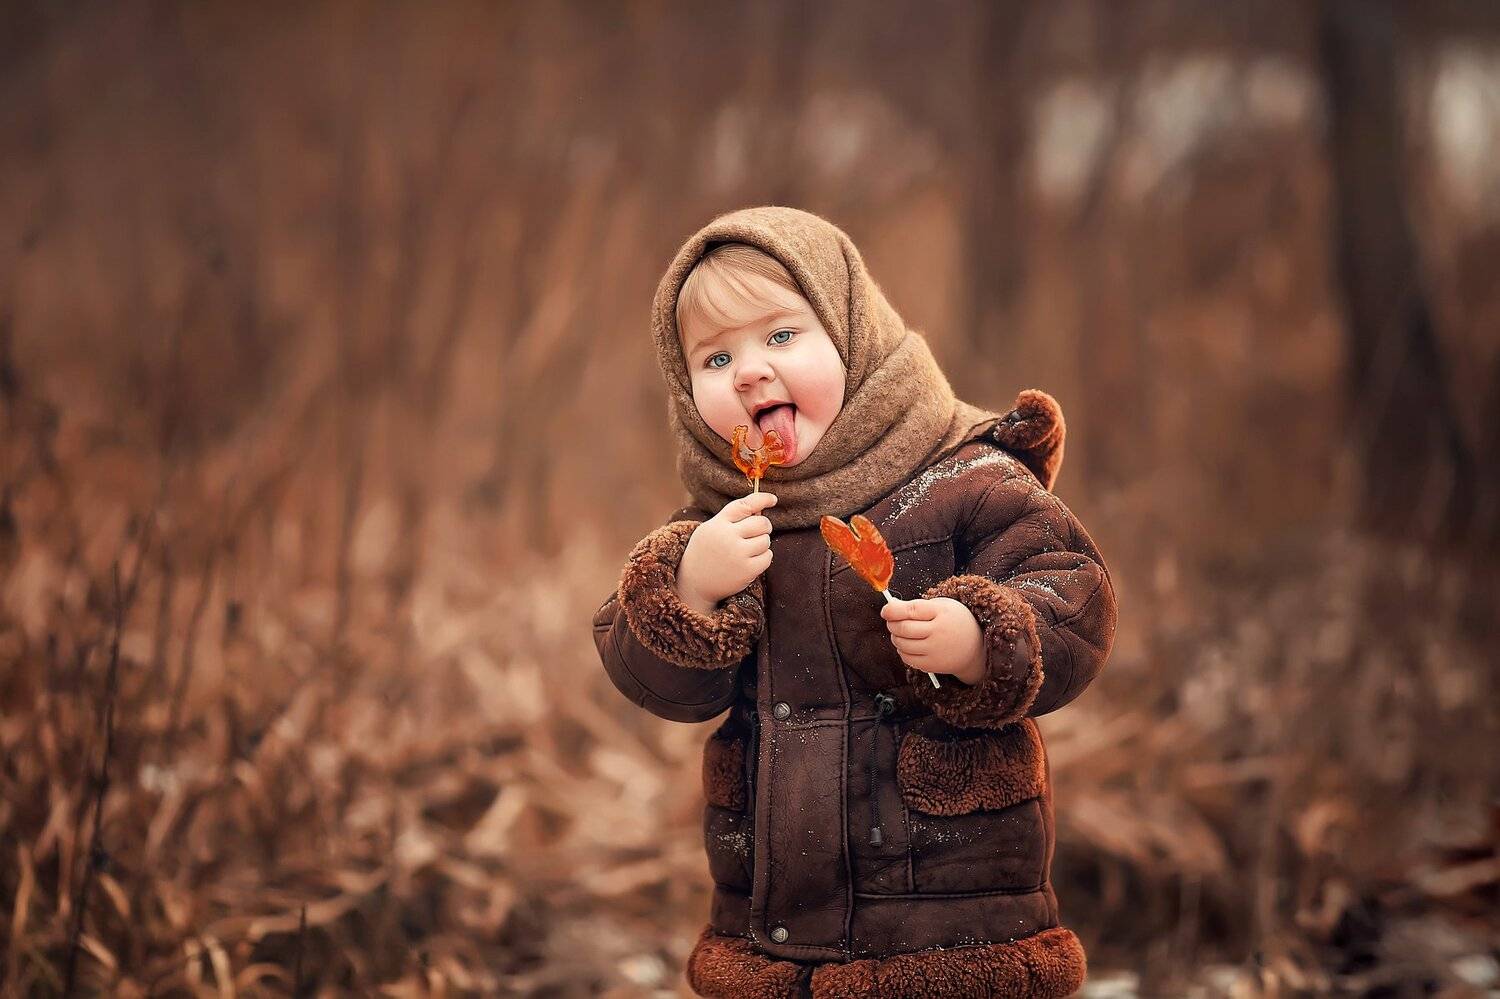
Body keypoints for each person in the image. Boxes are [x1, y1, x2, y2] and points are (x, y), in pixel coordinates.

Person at [591, 206, 1117, 998]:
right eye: (716, 357)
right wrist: (691, 590)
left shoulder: (963, 476)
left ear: (852, 335)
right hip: (773, 925)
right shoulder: (718, 526)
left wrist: (981, 637)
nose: (748, 372)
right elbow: (653, 679)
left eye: (780, 336)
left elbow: (1073, 590)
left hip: (948, 914)